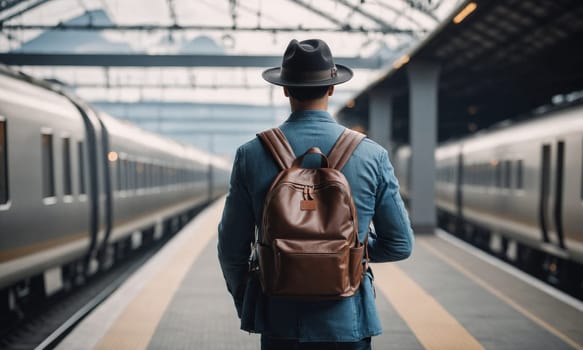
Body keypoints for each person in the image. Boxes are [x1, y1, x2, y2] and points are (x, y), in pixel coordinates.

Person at [218, 38, 414, 350]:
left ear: (285, 89)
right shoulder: (371, 155)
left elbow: (231, 248)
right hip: (348, 323)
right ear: (332, 88)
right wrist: (346, 249)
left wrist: (250, 303)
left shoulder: (250, 155)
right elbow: (400, 244)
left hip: (278, 323)